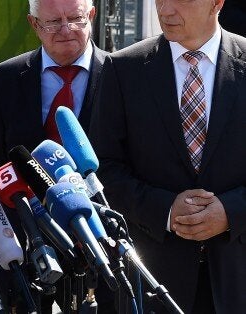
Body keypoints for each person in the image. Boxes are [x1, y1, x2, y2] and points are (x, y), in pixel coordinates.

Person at [90, 0, 246, 313]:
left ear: (217, 3)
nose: (165, 11)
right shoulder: (124, 69)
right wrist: (164, 210)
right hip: (152, 282)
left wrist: (232, 211)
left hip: (237, 279)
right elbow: (102, 169)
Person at [0, 1, 112, 313]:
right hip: (28, 244)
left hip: (100, 239)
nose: (66, 29)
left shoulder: (123, 75)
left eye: (76, 18)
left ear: (91, 16)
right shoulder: (2, 80)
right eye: (53, 22)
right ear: (34, 24)